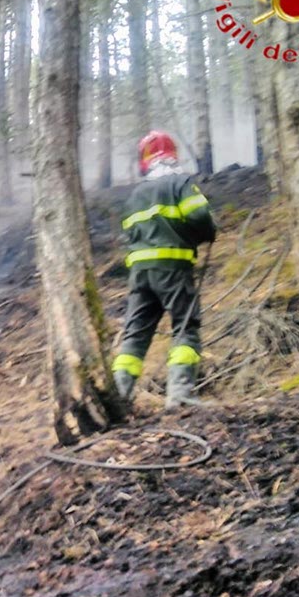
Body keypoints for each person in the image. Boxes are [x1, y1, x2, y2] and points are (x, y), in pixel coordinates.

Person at [111, 131, 216, 409]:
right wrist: (203, 233)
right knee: (185, 326)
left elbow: (129, 233)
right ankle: (180, 395)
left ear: (145, 160)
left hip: (140, 274)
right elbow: (200, 217)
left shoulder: (136, 194)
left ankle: (119, 396)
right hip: (173, 269)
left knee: (135, 332)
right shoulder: (180, 184)